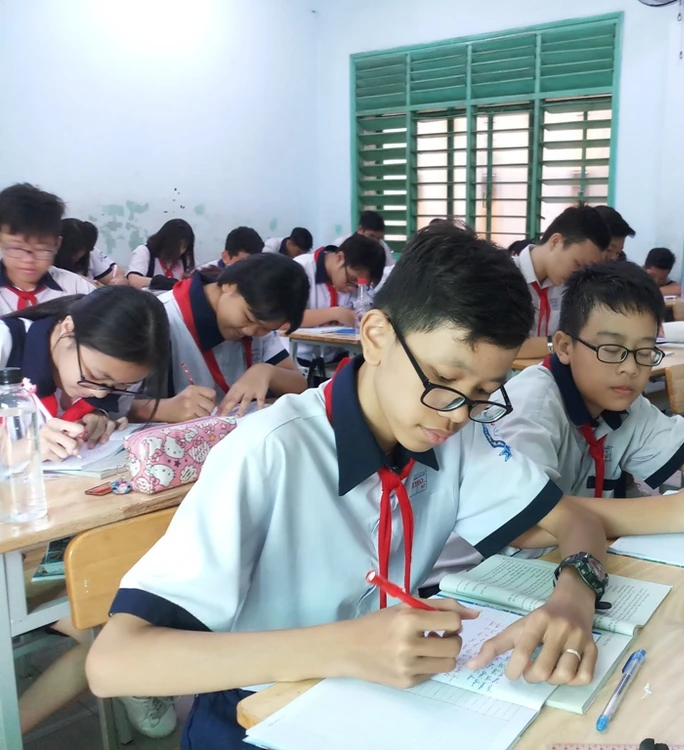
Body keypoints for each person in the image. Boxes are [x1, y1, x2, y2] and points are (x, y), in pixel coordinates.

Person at [87, 223, 609, 750]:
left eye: (483, 392)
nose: (457, 413)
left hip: (378, 706)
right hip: (256, 717)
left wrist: (573, 598)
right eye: (444, 379)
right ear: (377, 336)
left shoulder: (458, 435)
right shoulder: (268, 451)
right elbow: (114, 663)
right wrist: (346, 647)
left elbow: (575, 520)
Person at [433, 261, 684, 582]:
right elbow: (526, 526)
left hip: (567, 562)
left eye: (644, 352)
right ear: (564, 347)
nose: (630, 367)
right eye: (611, 350)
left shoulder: (625, 406)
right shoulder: (531, 406)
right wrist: (680, 510)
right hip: (475, 580)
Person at [2, 287, 177, 740]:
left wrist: (98, 418)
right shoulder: (6, 342)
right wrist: (15, 446)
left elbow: (91, 410)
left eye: (116, 387)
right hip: (12, 547)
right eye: (95, 377)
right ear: (66, 330)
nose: (100, 391)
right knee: (103, 624)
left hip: (40, 539)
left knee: (104, 630)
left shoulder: (97, 378)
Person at [129, 253, 309, 423]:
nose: (250, 331)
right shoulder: (158, 319)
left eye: (266, 329)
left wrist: (267, 372)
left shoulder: (260, 317)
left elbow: (299, 385)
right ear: (229, 285)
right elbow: (114, 404)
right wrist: (162, 409)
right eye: (248, 318)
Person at [515, 205, 611, 358]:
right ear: (555, 241)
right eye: (577, 264)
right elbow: (504, 345)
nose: (578, 275)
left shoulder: (566, 286)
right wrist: (556, 343)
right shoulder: (502, 276)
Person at [0, 183, 95, 315]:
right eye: (16, 248)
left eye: (41, 249)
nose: (28, 260)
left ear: (57, 244)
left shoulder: (77, 288)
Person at [294, 235, 386, 367]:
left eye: (360, 286)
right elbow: (285, 320)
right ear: (340, 258)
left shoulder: (357, 286)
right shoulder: (300, 269)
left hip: (340, 358)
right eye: (351, 279)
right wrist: (336, 313)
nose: (352, 289)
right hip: (298, 360)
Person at [127, 219, 195, 290]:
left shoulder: (185, 259)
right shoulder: (144, 252)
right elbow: (133, 280)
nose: (181, 251)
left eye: (185, 247)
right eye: (178, 246)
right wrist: (159, 282)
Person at [198, 226, 265, 272]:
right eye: (243, 264)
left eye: (255, 265)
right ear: (225, 257)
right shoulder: (202, 277)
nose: (249, 270)